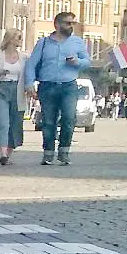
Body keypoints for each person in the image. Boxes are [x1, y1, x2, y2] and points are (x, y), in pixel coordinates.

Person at [24, 11, 90, 166]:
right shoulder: (44, 43)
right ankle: (48, 153)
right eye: (68, 23)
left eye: (73, 23)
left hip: (69, 85)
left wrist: (77, 62)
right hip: (47, 85)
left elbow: (87, 61)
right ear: (57, 24)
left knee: (69, 118)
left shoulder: (77, 42)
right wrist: (29, 83)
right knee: (48, 121)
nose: (71, 26)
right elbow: (32, 63)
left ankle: (64, 151)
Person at [0, 28, 26, 165]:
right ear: (10, 39)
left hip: (18, 90)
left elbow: (28, 74)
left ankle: (8, 154)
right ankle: (2, 154)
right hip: (1, 89)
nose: (21, 40)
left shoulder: (24, 57)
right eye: (18, 37)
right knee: (3, 123)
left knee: (16, 123)